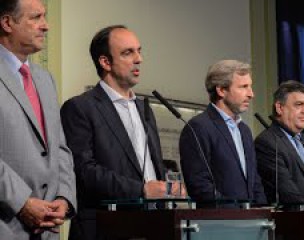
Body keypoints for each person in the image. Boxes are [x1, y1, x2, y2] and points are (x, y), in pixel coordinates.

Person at [60, 25, 185, 240]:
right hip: (105, 228)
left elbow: (149, 168)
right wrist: (142, 190)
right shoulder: (80, 107)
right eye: (128, 53)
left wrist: (170, 188)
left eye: (139, 50)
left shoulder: (144, 109)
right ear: (105, 62)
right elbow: (84, 171)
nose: (139, 59)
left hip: (152, 225)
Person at [0, 0, 76, 239]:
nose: (46, 26)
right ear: (7, 22)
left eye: (44, 16)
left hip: (48, 228)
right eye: (36, 17)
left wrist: (64, 198)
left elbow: (60, 148)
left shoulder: (45, 79)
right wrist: (22, 202)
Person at [179, 60, 266, 205]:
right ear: (221, 90)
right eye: (244, 87)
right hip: (221, 222)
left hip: (252, 222)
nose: (251, 94)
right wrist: (234, 214)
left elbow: (254, 181)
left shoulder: (244, 130)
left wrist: (263, 214)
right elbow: (199, 185)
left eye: (250, 87)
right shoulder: (198, 127)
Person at [255, 80, 304, 204]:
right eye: (299, 104)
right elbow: (288, 193)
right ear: (279, 108)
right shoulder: (267, 143)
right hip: (296, 219)